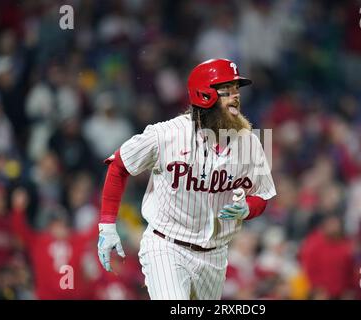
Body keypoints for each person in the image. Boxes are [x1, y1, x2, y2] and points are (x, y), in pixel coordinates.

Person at [97, 58, 277, 300]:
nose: (235, 96)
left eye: (237, 90)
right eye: (227, 90)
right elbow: (119, 166)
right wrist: (107, 225)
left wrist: (247, 208)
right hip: (167, 246)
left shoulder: (249, 142)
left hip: (215, 254)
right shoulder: (166, 135)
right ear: (204, 95)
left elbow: (262, 196)